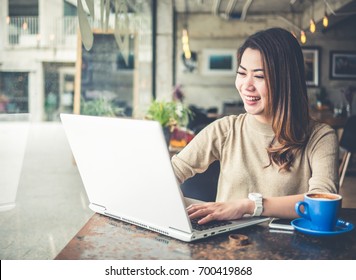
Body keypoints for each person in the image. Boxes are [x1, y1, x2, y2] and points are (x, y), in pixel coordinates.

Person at [171, 27, 339, 225]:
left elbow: (322, 202)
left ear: (286, 81)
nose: (246, 85)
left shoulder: (320, 137)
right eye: (242, 73)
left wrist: (250, 206)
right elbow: (173, 171)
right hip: (228, 246)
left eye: (259, 76)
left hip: (286, 249)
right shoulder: (225, 129)